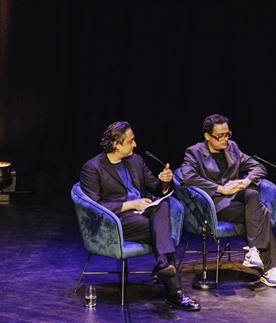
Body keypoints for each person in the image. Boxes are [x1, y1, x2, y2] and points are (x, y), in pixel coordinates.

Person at [79, 121, 200, 311]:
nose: (135, 145)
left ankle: (163, 266)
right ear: (116, 144)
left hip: (143, 210)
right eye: (130, 141)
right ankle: (174, 292)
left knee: (163, 206)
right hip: (117, 219)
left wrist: (164, 182)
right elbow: (95, 206)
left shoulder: (135, 160)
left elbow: (154, 186)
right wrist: (130, 205)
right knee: (161, 231)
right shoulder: (93, 167)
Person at [179, 114, 276, 287]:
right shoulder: (195, 152)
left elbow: (259, 167)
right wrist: (221, 189)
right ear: (207, 136)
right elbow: (187, 177)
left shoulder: (232, 147)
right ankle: (269, 269)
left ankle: (254, 251)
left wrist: (245, 181)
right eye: (219, 136)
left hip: (235, 196)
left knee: (252, 195)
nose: (225, 139)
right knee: (260, 214)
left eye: (227, 134)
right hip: (214, 203)